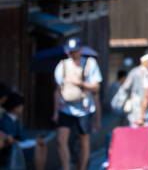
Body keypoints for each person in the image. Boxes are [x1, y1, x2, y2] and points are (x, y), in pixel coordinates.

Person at [53, 37, 102, 170]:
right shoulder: (62, 65)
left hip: (85, 108)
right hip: (66, 108)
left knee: (83, 141)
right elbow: (57, 90)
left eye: (74, 51)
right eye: (70, 52)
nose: (72, 54)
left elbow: (97, 88)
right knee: (61, 139)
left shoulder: (90, 64)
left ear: (80, 50)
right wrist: (55, 112)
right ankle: (66, 168)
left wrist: (79, 82)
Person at [0, 92, 47, 170]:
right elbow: (12, 139)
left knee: (42, 144)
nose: (22, 107)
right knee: (37, 147)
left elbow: (22, 136)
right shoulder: (6, 121)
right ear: (14, 107)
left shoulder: (15, 120)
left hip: (17, 145)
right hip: (9, 150)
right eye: (20, 105)